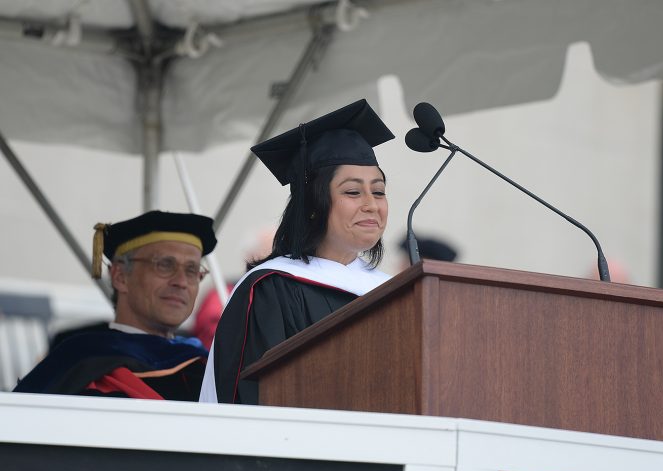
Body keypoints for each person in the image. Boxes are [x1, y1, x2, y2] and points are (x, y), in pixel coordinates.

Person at [200, 99, 394, 404]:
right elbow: (257, 398)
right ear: (313, 204)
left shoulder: (392, 292)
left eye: (379, 191)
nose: (372, 204)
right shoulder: (273, 289)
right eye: (353, 192)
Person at [14, 210, 217, 400]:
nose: (181, 282)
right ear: (120, 276)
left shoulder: (204, 366)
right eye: (164, 265)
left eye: (192, 270)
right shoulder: (77, 359)